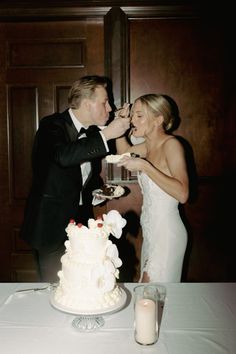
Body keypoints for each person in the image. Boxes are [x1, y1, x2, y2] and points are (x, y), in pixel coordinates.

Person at [20, 75, 130, 282]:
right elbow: (63, 157)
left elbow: (84, 175)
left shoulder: (91, 133)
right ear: (88, 104)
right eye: (105, 102)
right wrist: (107, 135)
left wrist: (98, 191)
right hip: (50, 227)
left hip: (80, 223)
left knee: (81, 286)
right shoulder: (51, 126)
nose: (110, 107)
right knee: (54, 288)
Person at [115, 94, 189, 283]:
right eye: (133, 115)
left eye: (139, 115)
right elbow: (123, 152)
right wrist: (120, 122)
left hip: (167, 234)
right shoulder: (147, 146)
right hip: (151, 233)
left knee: (153, 296)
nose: (133, 120)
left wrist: (145, 166)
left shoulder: (172, 145)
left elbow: (182, 194)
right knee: (149, 295)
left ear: (158, 120)